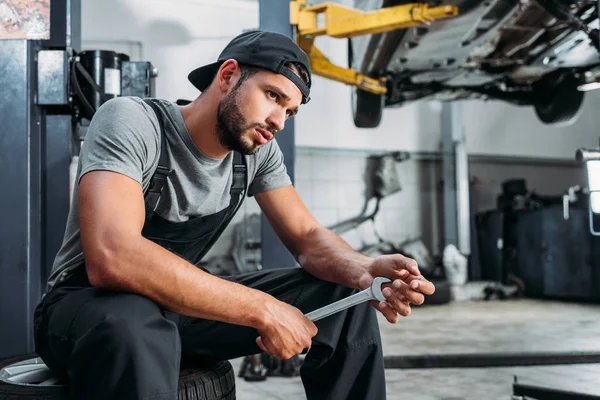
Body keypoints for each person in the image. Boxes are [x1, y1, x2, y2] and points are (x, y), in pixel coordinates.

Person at [33, 30, 435, 400]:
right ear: (228, 76)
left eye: (290, 112)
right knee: (133, 324)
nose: (279, 121)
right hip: (87, 308)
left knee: (343, 296)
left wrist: (363, 270)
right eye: (273, 96)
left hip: (171, 309)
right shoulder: (133, 121)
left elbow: (308, 237)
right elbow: (113, 257)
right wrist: (263, 308)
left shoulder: (256, 155)